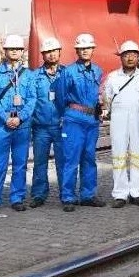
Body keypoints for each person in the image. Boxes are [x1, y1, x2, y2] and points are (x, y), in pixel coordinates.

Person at [55, 33, 105, 211]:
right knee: (71, 159)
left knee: (89, 158)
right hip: (74, 120)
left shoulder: (98, 71)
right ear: (77, 51)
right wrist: (69, 114)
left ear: (93, 50)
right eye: (82, 48)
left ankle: (88, 195)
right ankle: (68, 197)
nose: (85, 51)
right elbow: (60, 97)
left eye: (88, 48)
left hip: (92, 120)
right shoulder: (68, 72)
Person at [0, 34, 36, 212]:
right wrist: (5, 118)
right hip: (2, 124)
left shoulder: (28, 75)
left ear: (22, 52)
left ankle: (17, 198)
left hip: (22, 124)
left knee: (20, 163)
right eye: (11, 49)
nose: (14, 52)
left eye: (17, 49)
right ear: (5, 51)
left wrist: (20, 117)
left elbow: (32, 99)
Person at [105, 41, 139, 207]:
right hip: (118, 119)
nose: (130, 58)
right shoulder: (112, 77)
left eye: (133, 55)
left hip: (138, 117)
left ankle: (136, 192)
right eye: (126, 55)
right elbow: (107, 99)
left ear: (138, 57)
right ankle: (120, 194)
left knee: (137, 154)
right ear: (121, 57)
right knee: (119, 154)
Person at [29, 36, 65, 207]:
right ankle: (38, 194)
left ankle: (66, 194)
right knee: (39, 162)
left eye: (54, 51)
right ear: (43, 55)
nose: (51, 55)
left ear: (60, 52)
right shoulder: (34, 76)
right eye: (48, 52)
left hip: (61, 126)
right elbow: (30, 100)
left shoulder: (67, 74)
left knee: (63, 162)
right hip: (41, 127)